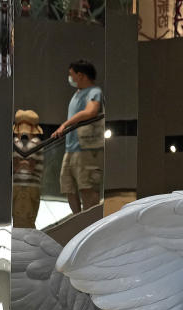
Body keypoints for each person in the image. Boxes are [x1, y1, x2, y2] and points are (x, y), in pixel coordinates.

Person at [52, 59, 104, 214]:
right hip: (71, 149)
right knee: (68, 185)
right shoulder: (77, 94)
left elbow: (91, 111)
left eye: (72, 74)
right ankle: (77, 220)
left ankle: (89, 222)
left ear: (81, 75)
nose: (70, 78)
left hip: (87, 149)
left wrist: (65, 124)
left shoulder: (95, 92)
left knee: (87, 187)